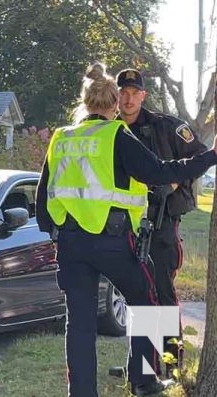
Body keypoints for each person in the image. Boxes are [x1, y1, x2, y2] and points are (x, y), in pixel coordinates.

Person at [35, 62, 217, 397]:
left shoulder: (61, 137)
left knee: (79, 322)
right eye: (124, 94)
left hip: (73, 244)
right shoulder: (115, 135)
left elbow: (43, 194)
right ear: (114, 102)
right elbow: (159, 171)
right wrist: (212, 157)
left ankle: (83, 392)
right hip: (115, 240)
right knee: (146, 304)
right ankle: (145, 380)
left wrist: (55, 232)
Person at [115, 68, 207, 376]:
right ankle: (142, 367)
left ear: (143, 95)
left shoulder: (165, 127)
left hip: (161, 222)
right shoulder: (109, 130)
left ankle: (171, 366)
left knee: (163, 293)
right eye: (122, 93)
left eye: (133, 93)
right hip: (123, 225)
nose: (127, 99)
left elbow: (199, 155)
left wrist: (176, 184)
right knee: (139, 295)